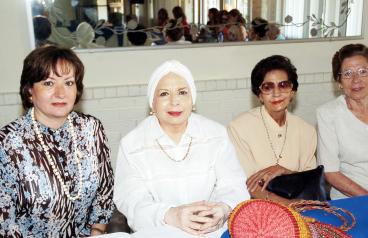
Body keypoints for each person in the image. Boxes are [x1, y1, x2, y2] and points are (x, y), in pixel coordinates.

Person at [114, 60, 249, 236]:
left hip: (213, 231)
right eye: (164, 94)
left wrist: (223, 208)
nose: (174, 101)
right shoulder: (132, 144)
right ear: (152, 103)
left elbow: (234, 185)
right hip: (159, 231)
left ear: (192, 99)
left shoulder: (216, 135)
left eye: (182, 92)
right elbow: (131, 201)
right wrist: (171, 215)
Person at [0, 46, 114, 237]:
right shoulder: (8, 143)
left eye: (69, 83)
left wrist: (97, 231)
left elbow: (105, 189)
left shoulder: (91, 128)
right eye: (49, 83)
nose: (61, 93)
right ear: (29, 90)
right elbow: (5, 220)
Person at [228, 55, 317, 204]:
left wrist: (283, 171)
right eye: (268, 87)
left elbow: (309, 181)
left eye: (283, 85)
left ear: (293, 91)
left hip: (300, 205)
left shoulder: (307, 131)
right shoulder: (239, 128)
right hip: (257, 210)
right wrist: (288, 205)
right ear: (260, 95)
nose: (276, 93)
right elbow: (248, 186)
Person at [317, 43, 368, 199]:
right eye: (347, 73)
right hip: (350, 198)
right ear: (339, 82)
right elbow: (330, 172)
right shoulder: (328, 114)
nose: (356, 80)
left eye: (363, 71)